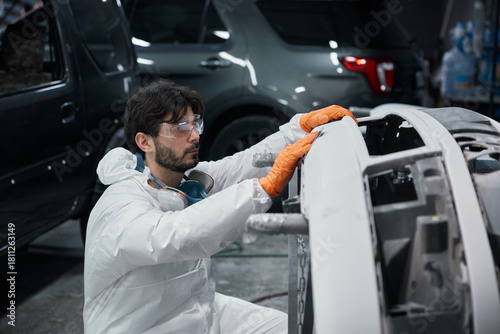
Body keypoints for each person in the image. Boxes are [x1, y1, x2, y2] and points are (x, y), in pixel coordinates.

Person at [83, 80, 357, 333]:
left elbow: (240, 165)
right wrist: (262, 189)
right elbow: (173, 236)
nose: (194, 136)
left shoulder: (182, 181)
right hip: (141, 327)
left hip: (196, 309)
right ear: (145, 142)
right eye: (180, 127)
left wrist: (297, 130)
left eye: (195, 124)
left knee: (290, 329)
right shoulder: (120, 202)